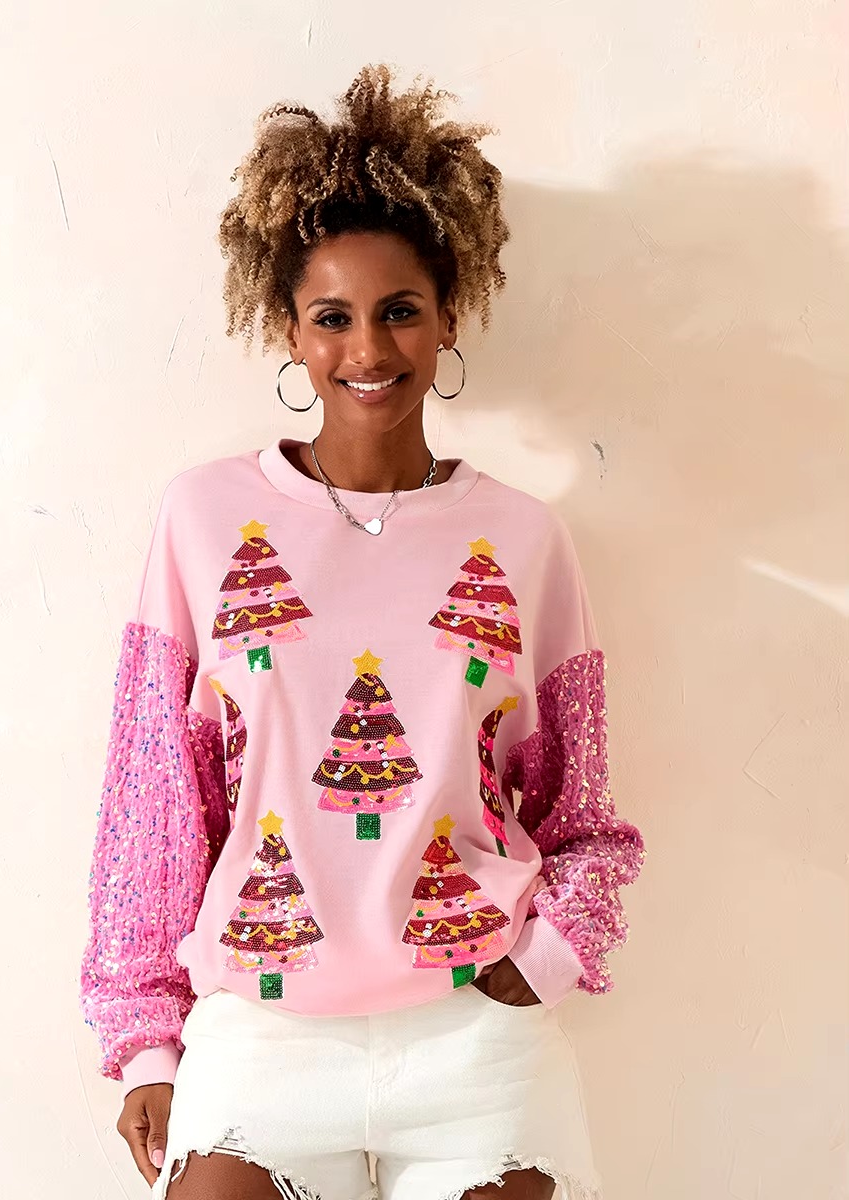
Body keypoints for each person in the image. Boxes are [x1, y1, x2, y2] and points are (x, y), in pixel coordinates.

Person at [79, 63, 646, 1200]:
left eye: (399, 312)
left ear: (448, 318)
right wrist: (146, 1041)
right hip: (261, 1037)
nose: (369, 351)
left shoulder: (524, 540)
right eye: (332, 318)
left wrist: (548, 955)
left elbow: (581, 814)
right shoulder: (204, 519)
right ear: (290, 331)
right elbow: (155, 794)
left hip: (477, 1046)